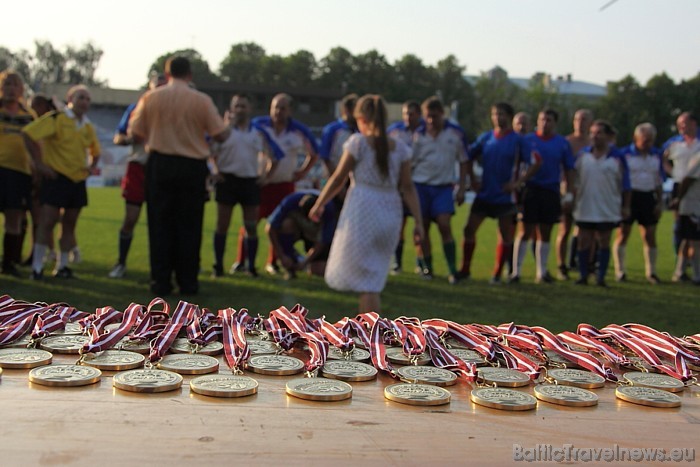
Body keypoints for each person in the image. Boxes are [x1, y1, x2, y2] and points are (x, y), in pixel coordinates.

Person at [309, 94, 423, 313]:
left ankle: (370, 330)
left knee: (367, 284)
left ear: (361, 118)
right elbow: (408, 188)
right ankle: (367, 324)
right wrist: (418, 222)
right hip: (390, 211)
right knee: (372, 276)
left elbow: (338, 178)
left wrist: (320, 203)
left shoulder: (358, 143)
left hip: (363, 210)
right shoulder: (400, 149)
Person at [128, 56, 230, 295]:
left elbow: (135, 132)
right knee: (190, 226)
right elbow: (220, 135)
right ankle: (188, 282)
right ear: (190, 74)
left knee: (159, 224)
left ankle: (160, 281)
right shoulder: (202, 100)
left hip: (160, 164)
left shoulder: (151, 97)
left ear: (167, 72)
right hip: (192, 167)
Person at [230, 93, 319, 275]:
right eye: (275, 107)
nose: (278, 112)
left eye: (282, 108)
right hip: (262, 184)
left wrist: (302, 172)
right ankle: (241, 261)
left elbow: (315, 153)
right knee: (250, 223)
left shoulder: (299, 130)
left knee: (281, 226)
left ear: (290, 110)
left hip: (285, 186)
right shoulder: (258, 125)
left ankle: (274, 262)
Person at [22, 84, 100, 280]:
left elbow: (95, 151)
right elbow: (28, 134)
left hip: (77, 180)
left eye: (88, 99)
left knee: (70, 225)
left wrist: (91, 166)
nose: (85, 102)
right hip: (57, 178)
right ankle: (37, 268)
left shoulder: (88, 126)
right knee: (47, 222)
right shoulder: (57, 119)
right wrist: (39, 164)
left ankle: (62, 266)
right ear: (70, 99)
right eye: (81, 97)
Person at [460, 102, 541, 284]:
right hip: (485, 193)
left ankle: (497, 274)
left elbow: (536, 161)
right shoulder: (486, 137)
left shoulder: (519, 140)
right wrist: (472, 179)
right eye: (495, 114)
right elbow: (467, 156)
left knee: (505, 235)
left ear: (510, 117)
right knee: (469, 229)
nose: (498, 118)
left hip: (505, 196)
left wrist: (517, 183)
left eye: (502, 114)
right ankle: (464, 269)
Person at [210, 94, 283, 278]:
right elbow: (207, 151)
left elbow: (276, 156)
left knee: (251, 226)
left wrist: (266, 177)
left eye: (243, 106)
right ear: (231, 108)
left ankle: (251, 267)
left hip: (250, 182)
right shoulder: (223, 131)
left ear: (249, 109)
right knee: (222, 225)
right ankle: (218, 267)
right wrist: (214, 171)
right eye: (237, 106)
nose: (240, 110)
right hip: (227, 181)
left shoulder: (258, 132)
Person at [108, 72, 167, 279]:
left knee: (161, 222)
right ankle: (121, 262)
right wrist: (128, 139)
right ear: (149, 86)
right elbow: (118, 136)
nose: (159, 90)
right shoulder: (135, 109)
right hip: (138, 167)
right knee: (130, 219)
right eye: (156, 85)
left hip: (161, 169)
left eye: (164, 86)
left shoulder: (171, 110)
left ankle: (159, 270)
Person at [511, 109, 574, 283]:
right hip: (530, 189)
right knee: (525, 231)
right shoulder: (528, 140)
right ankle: (516, 271)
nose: (545, 123)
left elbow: (569, 169)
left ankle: (542, 271)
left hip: (551, 190)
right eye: (542, 119)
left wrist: (568, 193)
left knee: (545, 232)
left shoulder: (562, 143)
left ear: (555, 123)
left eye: (549, 120)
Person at [411, 96, 468, 284]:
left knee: (445, 224)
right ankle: (427, 267)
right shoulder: (418, 135)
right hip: (420, 186)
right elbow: (409, 163)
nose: (430, 121)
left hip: (443, 187)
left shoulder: (455, 134)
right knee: (423, 228)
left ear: (442, 114)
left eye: (434, 116)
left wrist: (461, 187)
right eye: (427, 116)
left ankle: (452, 269)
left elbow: (463, 161)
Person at [572, 120, 631, 287]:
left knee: (604, 241)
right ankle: (583, 275)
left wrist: (626, 206)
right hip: (585, 205)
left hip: (608, 206)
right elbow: (573, 177)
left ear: (608, 136)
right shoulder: (583, 155)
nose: (595, 136)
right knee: (584, 241)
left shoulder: (617, 157)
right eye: (592, 133)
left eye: (599, 133)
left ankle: (601, 277)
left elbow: (626, 185)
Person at [613, 123, 664, 284]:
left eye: (650, 140)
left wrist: (659, 202)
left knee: (649, 234)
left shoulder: (656, 155)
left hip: (648, 197)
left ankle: (651, 271)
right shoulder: (625, 154)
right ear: (636, 138)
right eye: (645, 140)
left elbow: (659, 181)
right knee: (623, 233)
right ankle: (620, 271)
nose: (648, 143)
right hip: (629, 196)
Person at [0, 70, 35, 277]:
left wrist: (37, 167)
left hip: (20, 173)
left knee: (14, 218)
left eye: (15, 85)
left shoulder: (29, 116)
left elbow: (37, 144)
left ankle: (9, 263)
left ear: (22, 90)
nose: (11, 90)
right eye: (7, 85)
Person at [387, 100, 424, 274]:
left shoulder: (425, 131)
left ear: (419, 114)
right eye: (405, 113)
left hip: (420, 183)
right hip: (398, 185)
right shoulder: (394, 131)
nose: (407, 117)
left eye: (411, 113)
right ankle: (398, 263)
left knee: (420, 224)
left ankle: (421, 262)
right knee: (398, 225)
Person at [266, 190, 337, 279]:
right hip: (297, 229)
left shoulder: (328, 208)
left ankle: (301, 261)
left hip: (315, 235)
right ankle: (290, 259)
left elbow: (322, 241)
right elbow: (270, 228)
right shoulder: (290, 201)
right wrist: (281, 256)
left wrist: (305, 262)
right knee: (286, 225)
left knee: (318, 270)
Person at [663, 112, 700, 281]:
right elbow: (662, 160)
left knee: (691, 230)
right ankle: (684, 268)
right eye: (679, 124)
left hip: (695, 185)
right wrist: (674, 174)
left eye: (684, 124)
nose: (681, 128)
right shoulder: (674, 143)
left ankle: (686, 267)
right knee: (684, 228)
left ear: (693, 123)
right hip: (683, 186)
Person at [557, 108, 593, 276]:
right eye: (578, 119)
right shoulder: (567, 142)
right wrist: (567, 190)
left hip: (588, 190)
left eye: (584, 119)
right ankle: (561, 265)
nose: (581, 122)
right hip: (569, 189)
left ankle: (584, 264)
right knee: (564, 228)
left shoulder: (593, 143)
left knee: (587, 229)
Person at [671, 143, 700, 284]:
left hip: (693, 206)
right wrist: (679, 199)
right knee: (694, 241)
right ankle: (696, 275)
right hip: (693, 207)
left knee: (688, 240)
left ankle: (680, 272)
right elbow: (687, 179)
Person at [319, 93, 358, 175]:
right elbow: (325, 156)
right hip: (334, 174)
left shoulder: (360, 130)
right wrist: (334, 176)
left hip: (354, 177)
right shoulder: (332, 129)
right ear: (346, 109)